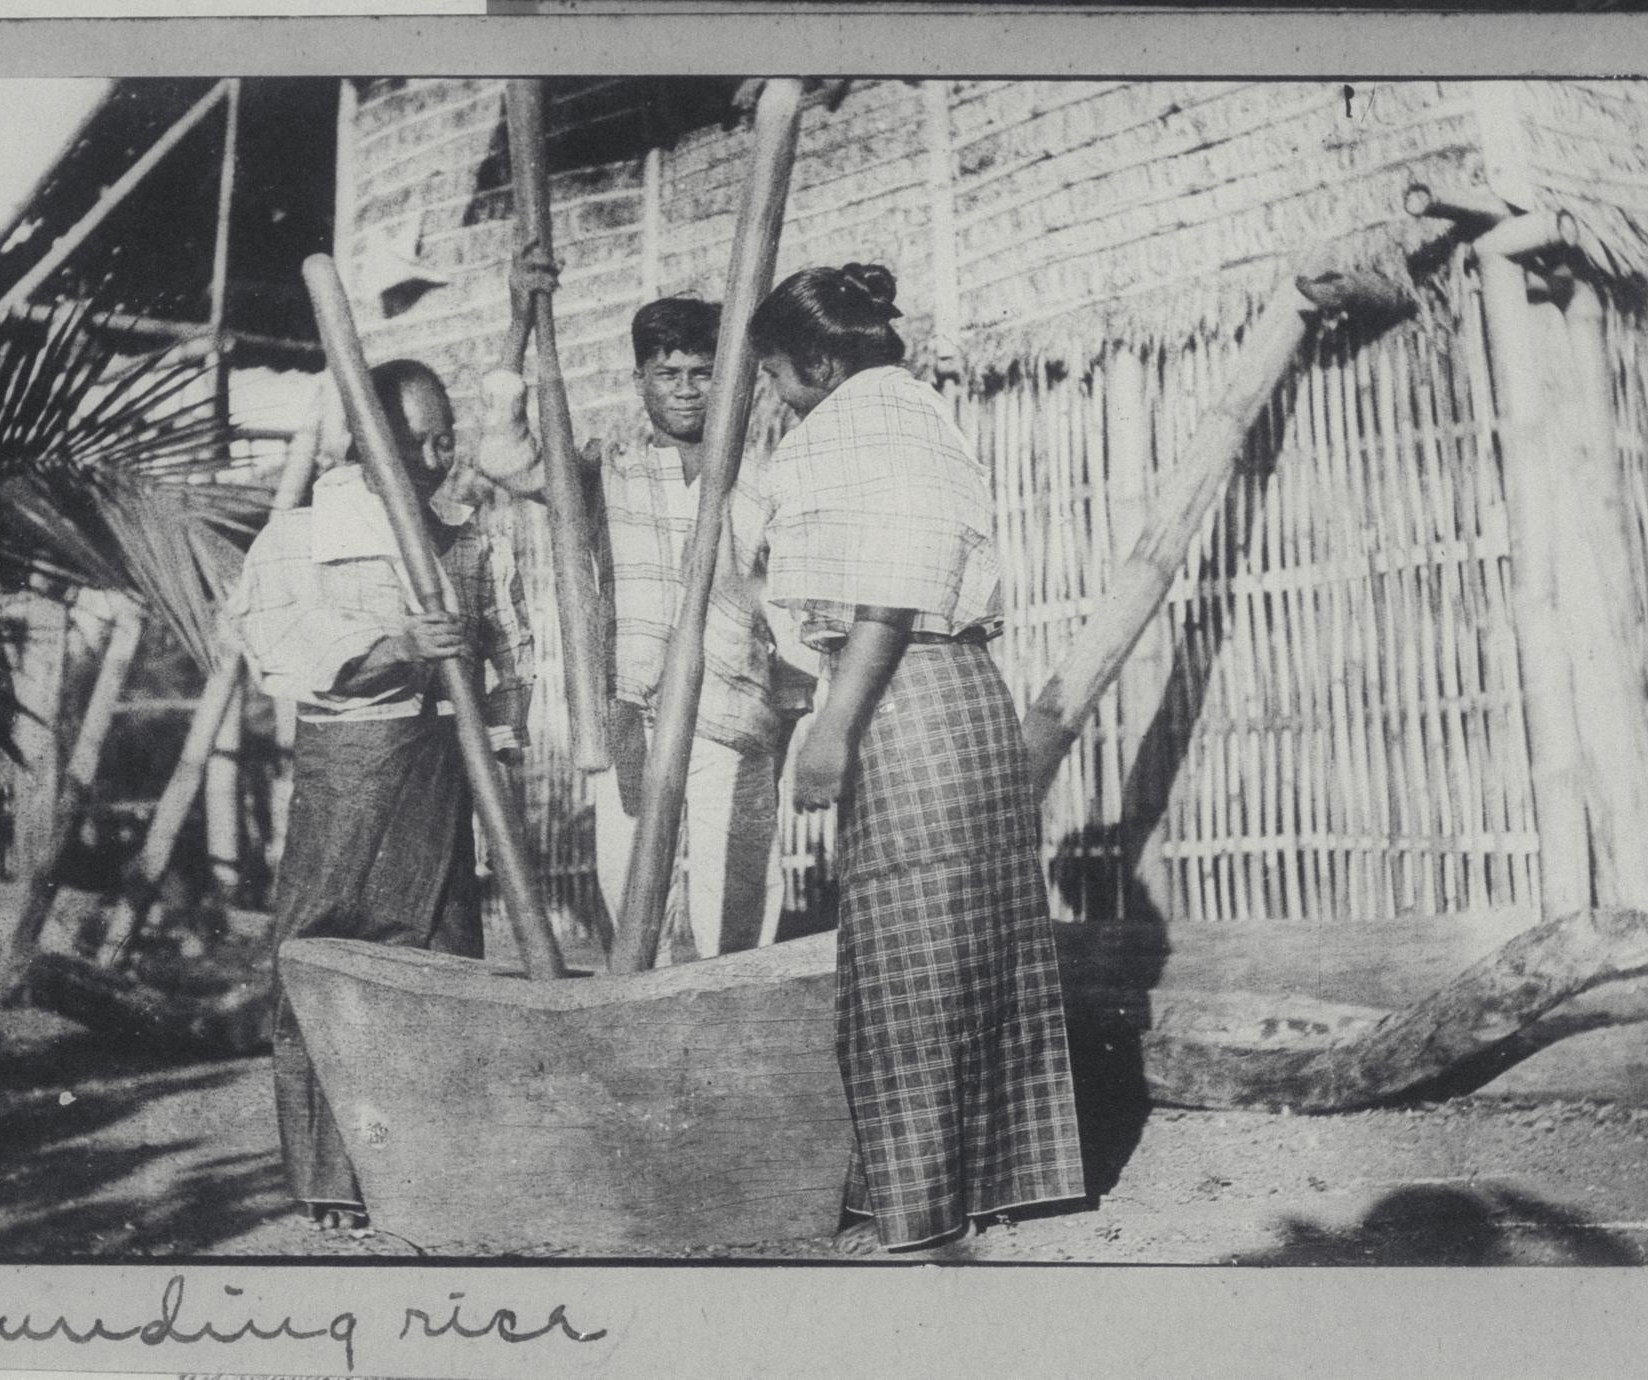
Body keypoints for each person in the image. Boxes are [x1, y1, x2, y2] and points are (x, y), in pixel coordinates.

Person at [746, 262, 1084, 1256]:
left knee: (906, 951)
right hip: (968, 697)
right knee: (973, 941)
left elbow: (887, 595)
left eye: (776, 376)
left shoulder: (862, 422)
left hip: (902, 697)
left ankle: (922, 1202)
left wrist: (833, 730)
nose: (775, 395)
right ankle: (993, 1182)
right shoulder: (916, 411)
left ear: (817, 357)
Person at [227, 360, 532, 1231]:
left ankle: (434, 1175)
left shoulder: (467, 535)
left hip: (442, 769)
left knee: (440, 954)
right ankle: (333, 1183)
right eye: (418, 438)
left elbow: (512, 650)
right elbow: (283, 648)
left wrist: (503, 738)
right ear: (367, 439)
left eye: (446, 436)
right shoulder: (302, 535)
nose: (439, 455)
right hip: (352, 766)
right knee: (323, 958)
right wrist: (399, 648)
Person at [476, 246, 810, 959]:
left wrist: (787, 715)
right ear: (640, 382)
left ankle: (732, 1032)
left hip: (734, 713)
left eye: (702, 375)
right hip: (632, 710)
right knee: (631, 901)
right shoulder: (607, 473)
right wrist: (518, 324)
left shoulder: (761, 482)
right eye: (669, 375)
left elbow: (787, 612)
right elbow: (503, 457)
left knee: (740, 908)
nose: (687, 390)